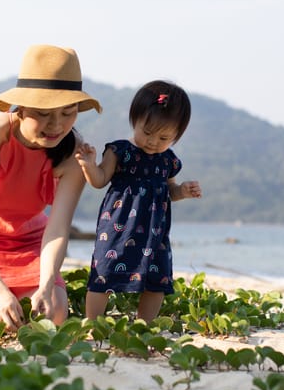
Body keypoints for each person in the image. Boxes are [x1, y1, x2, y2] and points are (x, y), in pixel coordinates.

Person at [0, 45, 101, 329]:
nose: (56, 125)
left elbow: (58, 230)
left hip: (27, 239)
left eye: (67, 112)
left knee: (55, 313)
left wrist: (47, 284)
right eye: (43, 113)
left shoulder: (75, 156)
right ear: (20, 107)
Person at [75, 80, 202, 322]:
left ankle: (145, 325)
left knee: (158, 279)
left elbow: (169, 191)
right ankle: (92, 323)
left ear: (176, 136)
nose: (153, 142)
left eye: (164, 137)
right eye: (147, 132)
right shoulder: (119, 151)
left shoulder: (168, 161)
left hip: (155, 233)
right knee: (103, 273)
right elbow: (100, 180)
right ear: (135, 120)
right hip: (117, 228)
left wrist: (183, 191)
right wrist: (89, 166)